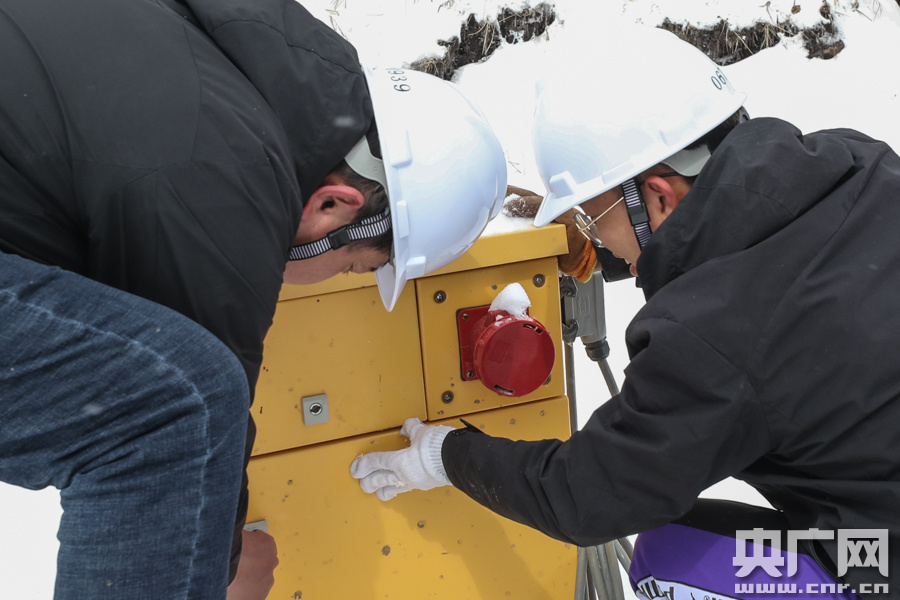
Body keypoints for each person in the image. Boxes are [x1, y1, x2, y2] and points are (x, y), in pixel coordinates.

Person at [351, 24, 900, 599]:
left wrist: (445, 456)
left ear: (658, 196)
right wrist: (605, 253)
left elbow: (587, 496)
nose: (596, 239)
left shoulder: (712, 339)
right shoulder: (859, 166)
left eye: (593, 220)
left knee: (674, 556)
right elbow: (738, 240)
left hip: (883, 562)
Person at [0, 0, 506, 598]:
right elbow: (190, 409)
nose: (338, 276)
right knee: (172, 412)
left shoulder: (241, 70)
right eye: (353, 265)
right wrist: (225, 566)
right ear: (334, 207)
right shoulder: (224, 175)